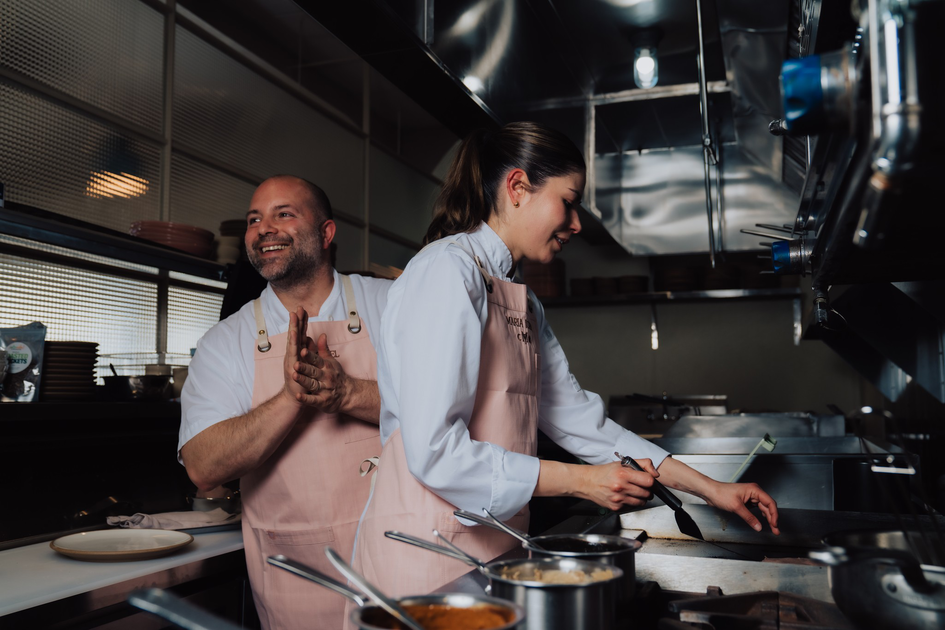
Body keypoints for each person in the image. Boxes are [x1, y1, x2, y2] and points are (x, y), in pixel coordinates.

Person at [350, 122, 780, 605]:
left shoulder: (523, 301)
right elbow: (435, 452)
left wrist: (711, 489)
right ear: (517, 188)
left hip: (496, 553)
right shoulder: (445, 273)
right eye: (569, 201)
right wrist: (583, 482)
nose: (577, 223)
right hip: (423, 557)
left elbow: (587, 428)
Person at [178, 175, 392, 630]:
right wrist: (290, 399)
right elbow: (202, 465)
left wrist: (348, 392)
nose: (264, 228)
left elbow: (450, 407)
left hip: (401, 556)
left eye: (284, 214)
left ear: (327, 233)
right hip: (296, 573)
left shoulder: (391, 304)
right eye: (255, 219)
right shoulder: (225, 342)